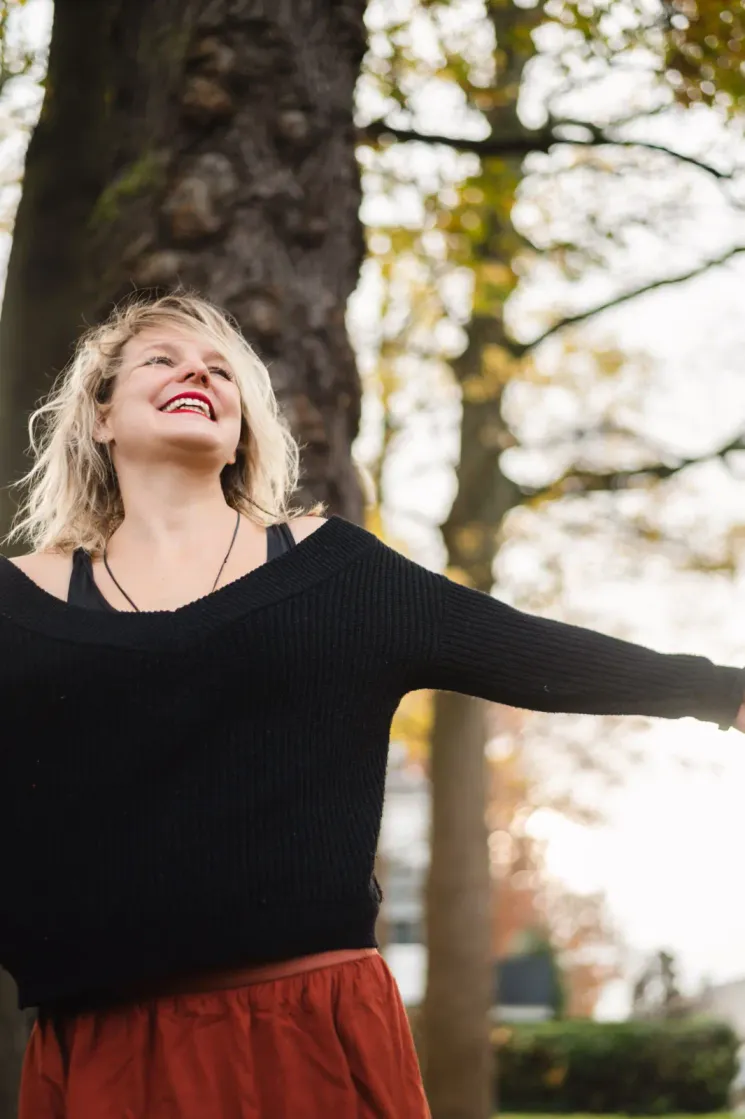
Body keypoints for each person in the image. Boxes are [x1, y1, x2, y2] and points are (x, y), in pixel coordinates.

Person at [0, 292, 742, 1119]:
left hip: (309, 1031)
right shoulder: (17, 606)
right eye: (163, 360)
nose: (197, 375)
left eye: (220, 371)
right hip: (104, 1053)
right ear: (99, 414)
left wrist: (722, 691)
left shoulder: (336, 573)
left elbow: (535, 651)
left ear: (242, 425)